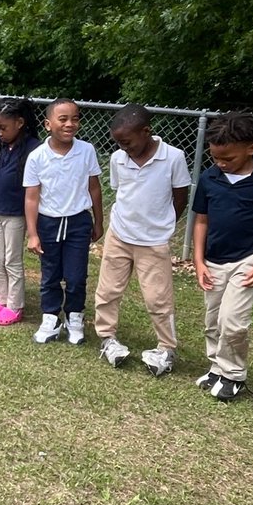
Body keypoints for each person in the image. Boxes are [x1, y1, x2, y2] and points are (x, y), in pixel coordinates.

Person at [94, 104, 190, 374]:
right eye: (118, 143)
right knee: (108, 290)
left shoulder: (173, 157)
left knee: (158, 298)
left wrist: (165, 223)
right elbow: (121, 190)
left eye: (127, 141)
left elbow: (180, 195)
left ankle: (167, 348)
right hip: (120, 234)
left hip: (154, 240)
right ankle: (107, 337)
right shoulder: (118, 158)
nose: (124, 147)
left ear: (146, 132)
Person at [24, 100, 103, 344]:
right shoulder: (37, 156)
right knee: (50, 274)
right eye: (63, 119)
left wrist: (98, 222)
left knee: (76, 275)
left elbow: (94, 188)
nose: (70, 124)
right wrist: (33, 233)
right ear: (48, 124)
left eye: (75, 119)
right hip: (48, 223)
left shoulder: (86, 150)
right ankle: (50, 317)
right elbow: (31, 197)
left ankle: (74, 316)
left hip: (78, 222)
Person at [191, 110, 253, 402]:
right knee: (213, 319)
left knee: (233, 320)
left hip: (249, 259)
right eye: (216, 157)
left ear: (251, 148)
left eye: (228, 158)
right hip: (215, 260)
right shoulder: (209, 177)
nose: (221, 163)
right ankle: (216, 367)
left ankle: (233, 375)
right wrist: (198, 260)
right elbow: (201, 220)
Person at [0, 97, 40, 325]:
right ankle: (1, 301)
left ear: (20, 123)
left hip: (15, 215)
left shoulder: (33, 148)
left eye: (3, 127)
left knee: (11, 261)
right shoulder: (2, 146)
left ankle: (15, 305)